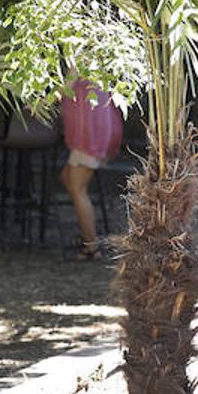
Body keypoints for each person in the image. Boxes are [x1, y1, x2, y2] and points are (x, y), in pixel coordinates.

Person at [59, 78, 123, 260]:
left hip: (87, 128)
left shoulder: (79, 54)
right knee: (67, 178)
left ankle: (91, 247)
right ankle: (88, 234)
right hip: (97, 121)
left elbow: (68, 85)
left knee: (77, 188)